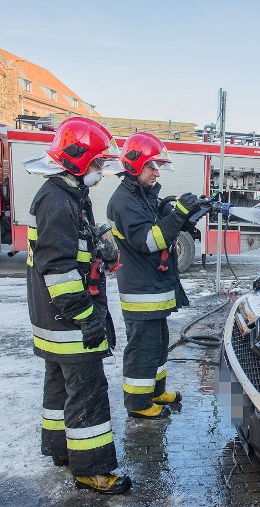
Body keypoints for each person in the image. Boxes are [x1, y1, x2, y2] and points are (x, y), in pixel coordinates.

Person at [25, 116, 130, 495]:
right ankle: (93, 468)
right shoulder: (57, 201)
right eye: (98, 164)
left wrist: (98, 241)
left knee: (59, 386)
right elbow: (59, 270)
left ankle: (60, 449)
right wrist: (87, 318)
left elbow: (71, 250)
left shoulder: (65, 194)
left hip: (53, 319)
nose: (101, 171)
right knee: (88, 392)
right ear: (78, 160)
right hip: (69, 319)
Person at [107, 132, 203, 420]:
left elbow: (157, 219)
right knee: (143, 349)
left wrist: (180, 213)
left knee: (159, 345)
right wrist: (177, 216)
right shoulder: (123, 201)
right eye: (151, 167)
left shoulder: (140, 196)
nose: (156, 172)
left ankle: (155, 391)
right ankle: (138, 404)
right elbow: (149, 240)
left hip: (153, 290)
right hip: (141, 293)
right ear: (134, 166)